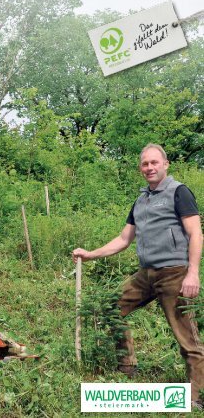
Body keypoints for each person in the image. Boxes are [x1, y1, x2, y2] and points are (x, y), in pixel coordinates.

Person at [73, 143, 204, 409]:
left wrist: (193, 273)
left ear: (165, 164)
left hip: (175, 273)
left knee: (187, 337)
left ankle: (196, 396)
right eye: (145, 164)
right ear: (140, 168)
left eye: (154, 162)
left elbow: (196, 234)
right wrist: (90, 254)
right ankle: (127, 364)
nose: (149, 167)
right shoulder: (141, 200)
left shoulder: (179, 192)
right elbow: (124, 239)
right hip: (147, 274)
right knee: (111, 306)